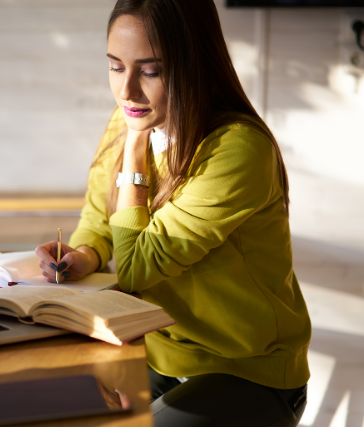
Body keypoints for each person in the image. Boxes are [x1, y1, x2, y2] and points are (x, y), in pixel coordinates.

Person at [34, 0, 311, 425]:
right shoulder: (132, 117)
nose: (126, 92)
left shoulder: (236, 149)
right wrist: (84, 254)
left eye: (150, 71)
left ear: (194, 65)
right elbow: (98, 217)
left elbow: (135, 267)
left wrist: (134, 147)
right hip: (159, 354)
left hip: (249, 370)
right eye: (115, 67)